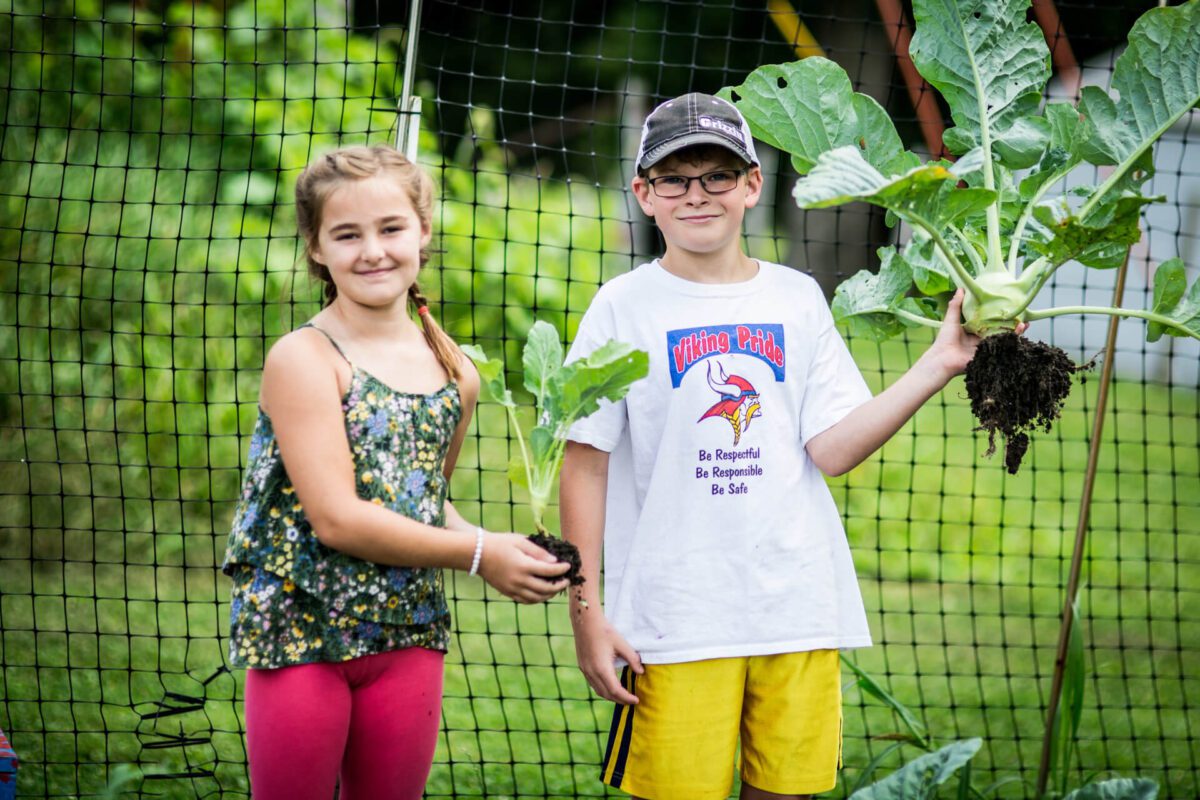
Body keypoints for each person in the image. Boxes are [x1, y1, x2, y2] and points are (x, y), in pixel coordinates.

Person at [559, 93, 992, 800]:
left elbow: (833, 448)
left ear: (753, 184)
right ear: (644, 194)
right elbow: (585, 462)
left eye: (718, 175)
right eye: (674, 178)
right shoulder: (621, 305)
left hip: (797, 608)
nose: (696, 195)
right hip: (674, 622)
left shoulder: (797, 298)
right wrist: (587, 613)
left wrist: (939, 364)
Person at [222, 144, 570, 800]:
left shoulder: (455, 372)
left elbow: (423, 499)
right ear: (317, 247)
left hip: (409, 629)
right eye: (347, 234)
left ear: (424, 232)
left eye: (391, 228)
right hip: (303, 629)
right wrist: (477, 554)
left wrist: (505, 549)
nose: (373, 251)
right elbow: (336, 517)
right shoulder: (304, 358)